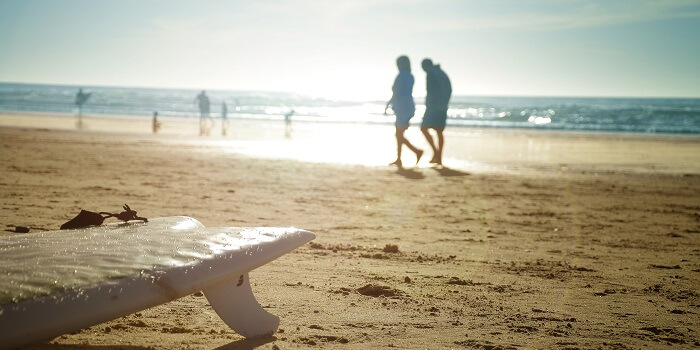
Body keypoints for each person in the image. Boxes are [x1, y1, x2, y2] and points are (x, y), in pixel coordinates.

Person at [384, 55, 423, 168]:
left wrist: (388, 104)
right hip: (408, 106)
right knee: (399, 134)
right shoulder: (410, 76)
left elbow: (396, 91)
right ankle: (401, 158)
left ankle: (414, 152)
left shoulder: (401, 76)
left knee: (398, 134)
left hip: (402, 108)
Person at [420, 58, 452, 166]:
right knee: (439, 132)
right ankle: (438, 156)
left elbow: (430, 91)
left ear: (425, 66)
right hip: (442, 107)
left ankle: (436, 153)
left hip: (433, 107)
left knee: (424, 128)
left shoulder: (431, 74)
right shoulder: (441, 73)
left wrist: (429, 106)